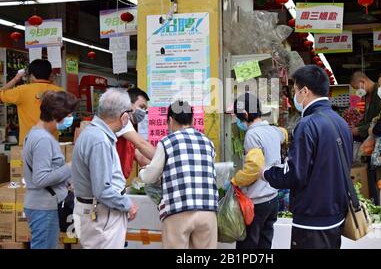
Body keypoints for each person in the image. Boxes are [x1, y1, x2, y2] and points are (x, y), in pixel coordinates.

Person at [262, 65, 353, 249]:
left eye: (295, 90)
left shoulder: (307, 124)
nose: (294, 96)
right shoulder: (341, 122)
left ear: (305, 91)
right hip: (336, 216)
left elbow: (295, 174)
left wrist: (266, 174)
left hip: (312, 220)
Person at [139, 100, 218, 249]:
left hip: (178, 210)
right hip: (208, 210)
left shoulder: (167, 142)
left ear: (170, 120)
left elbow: (151, 176)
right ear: (193, 120)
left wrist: (142, 172)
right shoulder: (208, 143)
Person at [72, 88, 138, 249]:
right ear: (123, 116)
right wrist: (127, 204)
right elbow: (102, 190)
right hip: (103, 213)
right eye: (129, 113)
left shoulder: (93, 134)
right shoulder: (99, 140)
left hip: (98, 211)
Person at [23, 91, 79, 249]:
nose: (70, 119)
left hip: (43, 205)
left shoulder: (36, 134)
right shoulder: (43, 139)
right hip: (43, 207)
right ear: (57, 115)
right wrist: (69, 167)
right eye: (69, 115)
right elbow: (40, 178)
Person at [231, 92, 287, 249]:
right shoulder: (273, 130)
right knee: (265, 243)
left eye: (238, 117)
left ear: (246, 114)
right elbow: (284, 134)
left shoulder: (252, 135)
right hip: (272, 199)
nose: (238, 121)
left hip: (257, 202)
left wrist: (235, 180)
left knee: (247, 245)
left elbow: (253, 169)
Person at [0, 59, 62, 145]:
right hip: (52, 143)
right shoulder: (59, 91)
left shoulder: (22, 91)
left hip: (28, 143)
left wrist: (16, 79)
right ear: (50, 74)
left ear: (32, 75)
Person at [115, 88, 155, 179]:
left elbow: (140, 156)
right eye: (141, 106)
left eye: (145, 109)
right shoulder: (120, 119)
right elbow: (141, 144)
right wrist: (165, 161)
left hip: (117, 182)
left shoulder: (129, 130)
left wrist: (157, 168)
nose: (143, 112)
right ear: (129, 104)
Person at [350, 71, 381, 140]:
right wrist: (356, 127)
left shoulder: (379, 93)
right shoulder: (366, 96)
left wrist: (360, 130)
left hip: (380, 137)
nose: (357, 91)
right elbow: (367, 119)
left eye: (357, 88)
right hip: (370, 136)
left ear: (362, 82)